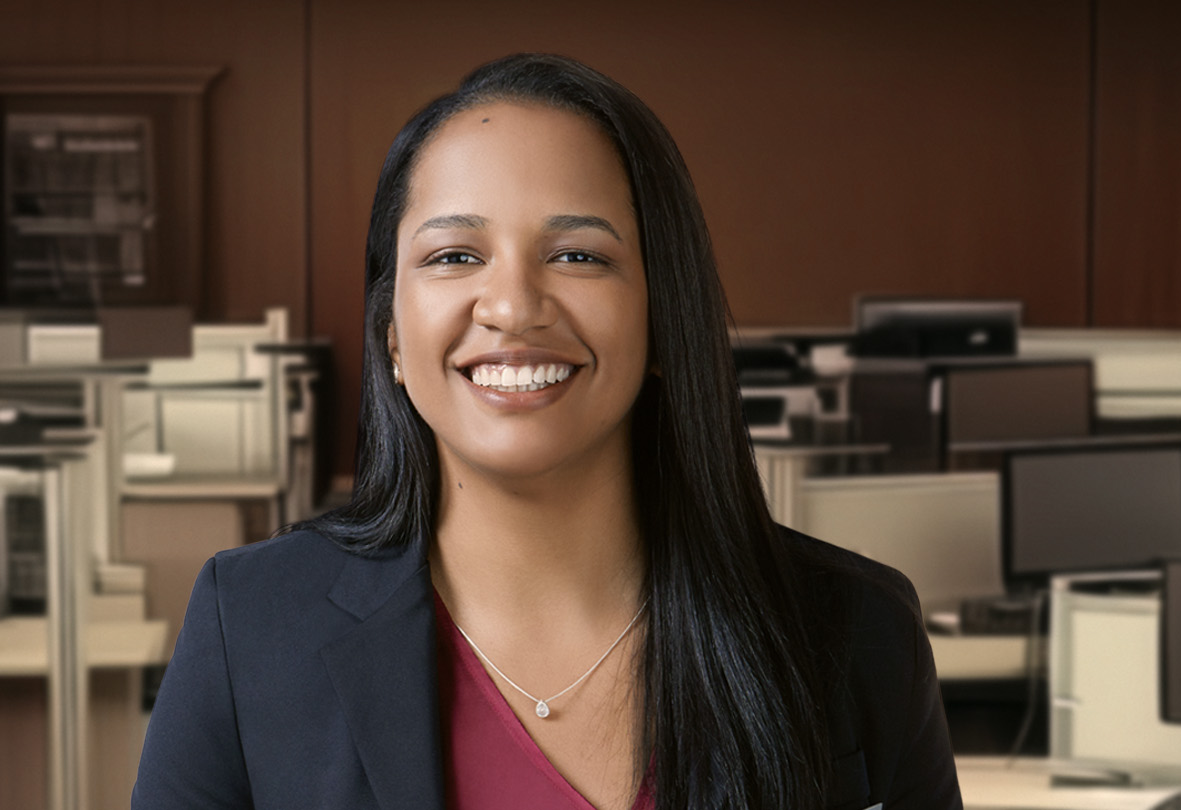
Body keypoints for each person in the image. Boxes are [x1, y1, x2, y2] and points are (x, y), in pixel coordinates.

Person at [133, 53, 963, 810]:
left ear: (665, 317)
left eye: (579, 256)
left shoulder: (856, 630)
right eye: (455, 256)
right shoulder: (252, 627)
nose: (512, 306)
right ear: (391, 334)